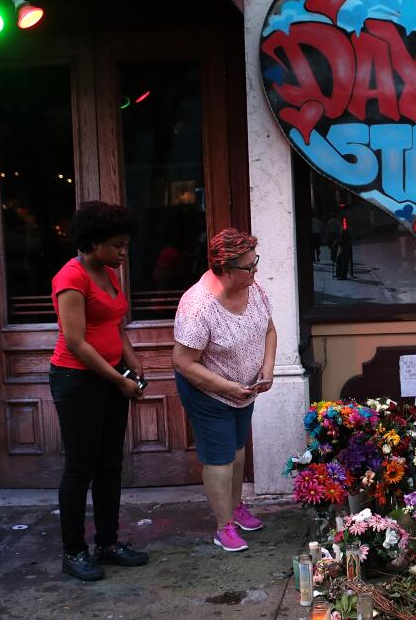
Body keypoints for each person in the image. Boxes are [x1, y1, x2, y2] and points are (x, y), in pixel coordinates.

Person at [50, 201, 149, 581]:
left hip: (110, 376)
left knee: (110, 464)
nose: (123, 253)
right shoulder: (70, 278)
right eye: (116, 245)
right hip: (77, 381)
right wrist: (118, 378)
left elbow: (114, 325)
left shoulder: (109, 274)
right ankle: (73, 551)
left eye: (125, 245)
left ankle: (107, 544)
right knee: (80, 467)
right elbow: (75, 341)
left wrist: (132, 359)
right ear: (91, 243)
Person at [172, 228, 276, 552]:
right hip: (209, 391)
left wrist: (268, 368)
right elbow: (183, 362)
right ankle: (223, 526)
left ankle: (235, 507)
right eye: (249, 266)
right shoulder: (198, 306)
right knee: (219, 457)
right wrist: (229, 387)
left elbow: (269, 330)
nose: (255, 270)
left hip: (245, 390)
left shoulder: (253, 288)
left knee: (237, 449)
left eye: (254, 262)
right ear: (226, 268)